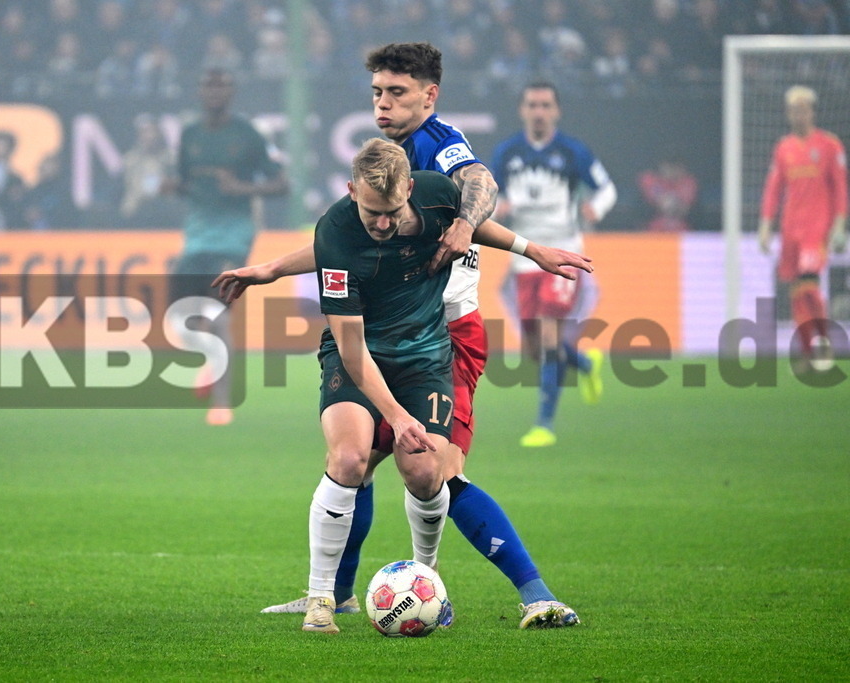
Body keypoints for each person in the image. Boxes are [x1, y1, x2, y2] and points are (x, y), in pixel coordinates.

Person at [217, 43, 586, 630]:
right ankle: (334, 595)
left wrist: (478, 227)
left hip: (443, 334)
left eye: (396, 93)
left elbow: (477, 182)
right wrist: (271, 269)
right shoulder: (385, 162)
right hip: (383, 333)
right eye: (376, 93)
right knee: (355, 462)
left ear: (429, 95)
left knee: (438, 468)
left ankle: (530, 593)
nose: (382, 104)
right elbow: (346, 242)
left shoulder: (439, 145)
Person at [491, 80, 617, 448]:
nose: (539, 112)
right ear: (522, 110)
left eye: (546, 105)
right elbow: (489, 195)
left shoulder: (573, 151)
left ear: (556, 111)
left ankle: (544, 424)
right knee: (534, 348)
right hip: (525, 256)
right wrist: (499, 208)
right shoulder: (507, 153)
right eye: (533, 105)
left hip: (564, 253)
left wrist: (596, 207)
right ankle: (586, 364)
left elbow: (607, 188)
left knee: (549, 335)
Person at [163, 67, 288, 426]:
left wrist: (243, 189)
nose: (214, 92)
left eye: (222, 86)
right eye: (208, 85)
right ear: (200, 92)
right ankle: (207, 358)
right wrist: (175, 186)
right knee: (181, 311)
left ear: (231, 93)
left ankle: (221, 403)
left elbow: (281, 184)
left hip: (234, 232)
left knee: (218, 314)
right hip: (197, 231)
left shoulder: (247, 135)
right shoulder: (189, 135)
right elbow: (187, 181)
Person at [758, 85, 847, 373]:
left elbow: (840, 188)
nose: (799, 114)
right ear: (788, 113)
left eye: (803, 109)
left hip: (816, 229)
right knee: (796, 291)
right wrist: (765, 224)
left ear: (812, 111)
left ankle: (823, 342)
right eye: (794, 110)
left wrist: (839, 224)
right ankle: (809, 350)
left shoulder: (829, 145)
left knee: (808, 283)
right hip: (790, 230)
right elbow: (774, 189)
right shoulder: (783, 148)